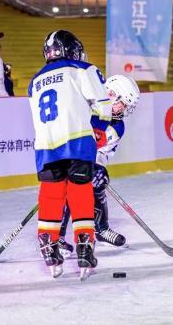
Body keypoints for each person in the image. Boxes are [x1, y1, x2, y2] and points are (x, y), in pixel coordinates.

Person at [28, 30, 112, 279]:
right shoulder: (82, 69)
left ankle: (50, 249)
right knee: (79, 193)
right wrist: (98, 127)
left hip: (45, 148)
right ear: (71, 50)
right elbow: (103, 106)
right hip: (76, 142)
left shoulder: (34, 81)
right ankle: (85, 249)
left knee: (51, 199)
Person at [58, 75, 140, 254]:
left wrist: (98, 168)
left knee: (98, 181)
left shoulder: (117, 126)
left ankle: (101, 229)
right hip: (65, 155)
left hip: (87, 159)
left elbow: (103, 152)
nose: (124, 110)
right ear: (111, 95)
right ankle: (58, 238)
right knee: (68, 186)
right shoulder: (85, 108)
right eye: (123, 104)